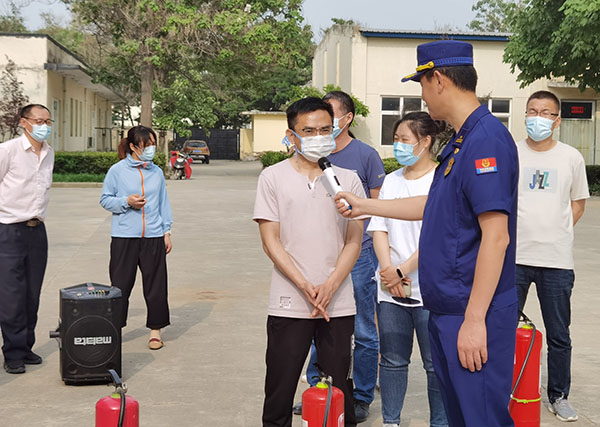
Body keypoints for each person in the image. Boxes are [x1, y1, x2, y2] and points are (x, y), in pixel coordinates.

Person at [335, 40, 519, 426]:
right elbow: (434, 206)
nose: (422, 95)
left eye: (421, 84)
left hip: (471, 310)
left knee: (481, 416)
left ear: (438, 79)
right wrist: (367, 206)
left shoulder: (485, 141)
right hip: (449, 306)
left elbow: (496, 237)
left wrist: (473, 320)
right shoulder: (461, 140)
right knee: (461, 416)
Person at [254, 97, 365, 427]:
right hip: (290, 301)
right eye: (309, 130)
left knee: (338, 389)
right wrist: (304, 285)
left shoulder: (349, 179)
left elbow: (354, 240)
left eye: (324, 129)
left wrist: (330, 285)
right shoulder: (272, 178)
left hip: (338, 301)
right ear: (292, 134)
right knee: (280, 386)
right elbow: (270, 241)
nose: (318, 136)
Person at [295, 91, 385, 422]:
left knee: (362, 329)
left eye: (327, 119)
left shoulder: (365, 156)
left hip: (359, 255)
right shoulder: (305, 155)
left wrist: (375, 254)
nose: (320, 127)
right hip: (318, 257)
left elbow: (378, 209)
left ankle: (359, 395)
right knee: (319, 322)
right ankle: (319, 391)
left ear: (345, 119)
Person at [368, 112, 448, 427]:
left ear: (425, 142)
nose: (398, 145)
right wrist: (388, 271)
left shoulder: (443, 178)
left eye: (405, 139)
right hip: (390, 289)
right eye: (396, 138)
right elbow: (379, 228)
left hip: (429, 286)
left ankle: (440, 422)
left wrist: (402, 271)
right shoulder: (392, 180)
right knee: (392, 361)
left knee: (434, 364)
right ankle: (391, 420)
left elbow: (439, 235)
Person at [515, 90, 589, 422]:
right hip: (514, 257)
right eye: (532, 111)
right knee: (503, 328)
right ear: (525, 115)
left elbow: (578, 203)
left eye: (546, 113)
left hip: (556, 261)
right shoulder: (511, 153)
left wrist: (556, 230)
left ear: (557, 121)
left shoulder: (571, 157)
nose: (538, 117)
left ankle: (558, 395)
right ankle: (507, 389)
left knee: (559, 333)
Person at [100, 125, 173, 350]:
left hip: (153, 235)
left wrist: (166, 231)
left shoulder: (157, 172)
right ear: (133, 147)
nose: (151, 149)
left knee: (156, 285)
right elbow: (105, 199)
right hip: (124, 236)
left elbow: (163, 203)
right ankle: (115, 328)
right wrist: (126, 202)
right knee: (121, 285)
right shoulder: (117, 171)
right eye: (146, 145)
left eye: (153, 144)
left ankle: (155, 330)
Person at [0, 104, 54, 374]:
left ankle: (25, 346)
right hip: (8, 230)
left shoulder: (48, 153)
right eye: (39, 120)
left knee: (32, 293)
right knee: (11, 295)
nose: (44, 125)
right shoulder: (7, 151)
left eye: (48, 120)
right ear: (24, 122)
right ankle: (12, 353)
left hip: (37, 231)